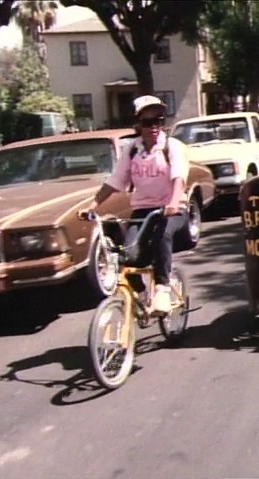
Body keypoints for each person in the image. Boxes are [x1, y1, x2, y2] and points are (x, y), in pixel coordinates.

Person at [79, 95, 189, 314]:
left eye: (159, 120)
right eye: (149, 122)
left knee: (163, 235)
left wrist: (174, 202)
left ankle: (162, 288)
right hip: (144, 209)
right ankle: (140, 292)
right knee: (130, 254)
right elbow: (114, 182)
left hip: (171, 208)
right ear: (139, 124)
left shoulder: (172, 146)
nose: (155, 127)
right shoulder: (132, 150)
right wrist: (92, 206)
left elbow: (179, 177)